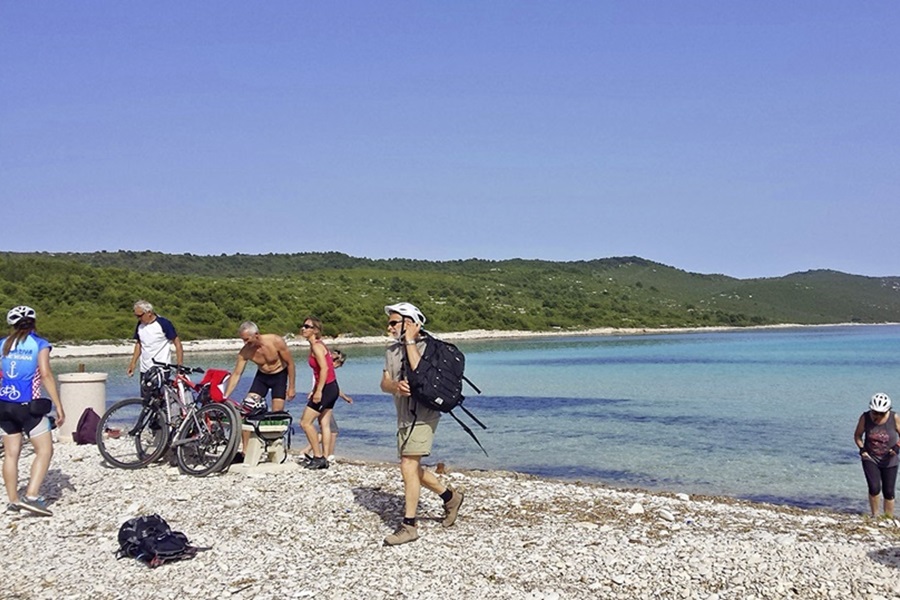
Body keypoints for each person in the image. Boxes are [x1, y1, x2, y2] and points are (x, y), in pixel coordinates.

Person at [380, 302, 463, 545]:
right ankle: (450, 497)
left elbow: (419, 373)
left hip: (425, 414)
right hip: (403, 415)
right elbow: (384, 383)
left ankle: (409, 525)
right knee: (411, 468)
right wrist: (395, 387)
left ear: (410, 323)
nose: (389, 327)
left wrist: (410, 341)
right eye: (390, 323)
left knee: (407, 464)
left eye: (394, 322)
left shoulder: (430, 349)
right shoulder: (391, 351)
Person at [0, 306, 65, 516]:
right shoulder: (39, 344)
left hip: (3, 404)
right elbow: (45, 374)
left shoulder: (2, 344)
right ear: (34, 323)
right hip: (28, 406)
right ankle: (32, 496)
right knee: (45, 450)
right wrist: (58, 405)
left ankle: (12, 500)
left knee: (11, 454)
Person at [222, 322, 296, 461]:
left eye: (247, 339)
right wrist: (225, 395)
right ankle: (245, 452)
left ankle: (274, 449)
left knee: (277, 414)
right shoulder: (246, 351)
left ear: (256, 335)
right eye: (243, 339)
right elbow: (237, 374)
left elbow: (291, 364)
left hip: (280, 376)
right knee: (246, 410)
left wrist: (291, 387)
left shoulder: (275, 341)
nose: (245, 342)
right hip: (262, 377)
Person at [298, 317, 341, 470]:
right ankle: (325, 457)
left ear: (315, 330)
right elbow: (320, 371)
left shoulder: (316, 346)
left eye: (307, 326)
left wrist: (319, 391)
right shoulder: (318, 346)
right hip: (331, 387)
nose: (303, 329)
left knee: (305, 422)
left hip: (327, 388)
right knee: (324, 424)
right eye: (303, 326)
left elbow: (324, 369)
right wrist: (314, 389)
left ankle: (318, 457)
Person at [299, 349, 353, 464]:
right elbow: (324, 384)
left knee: (326, 427)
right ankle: (319, 454)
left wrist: (345, 397)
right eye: (339, 364)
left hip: (326, 394)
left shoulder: (326, 370)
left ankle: (324, 455)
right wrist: (315, 392)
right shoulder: (325, 370)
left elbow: (333, 386)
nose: (338, 367)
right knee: (323, 427)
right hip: (323, 395)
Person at [854, 392, 900, 519]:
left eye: (881, 413)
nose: (878, 416)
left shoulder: (894, 417)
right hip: (870, 457)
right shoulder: (865, 418)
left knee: (889, 492)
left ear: (888, 411)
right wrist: (862, 449)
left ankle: (888, 518)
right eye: (875, 412)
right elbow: (857, 435)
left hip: (890, 459)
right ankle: (875, 515)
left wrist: (897, 447)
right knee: (874, 488)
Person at [126, 300, 183, 395]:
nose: (138, 318)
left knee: (160, 401)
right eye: (136, 316)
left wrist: (179, 366)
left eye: (140, 316)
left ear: (149, 313)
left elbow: (177, 344)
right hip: (144, 370)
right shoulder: (140, 325)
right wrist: (133, 363)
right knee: (146, 401)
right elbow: (139, 344)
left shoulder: (163, 323)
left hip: (161, 370)